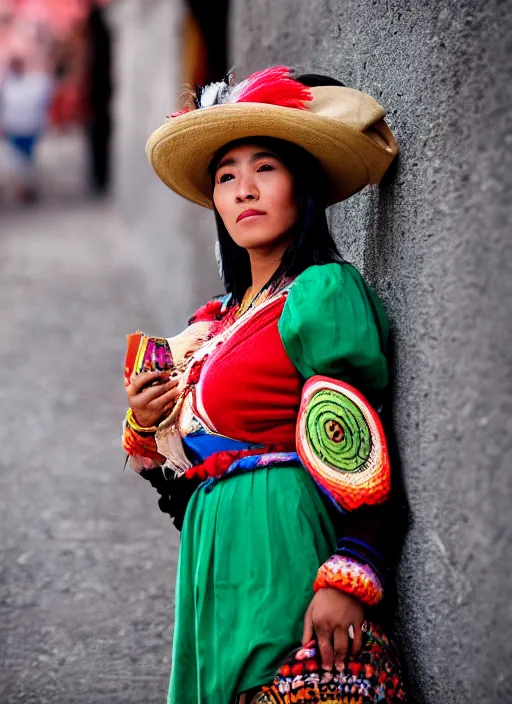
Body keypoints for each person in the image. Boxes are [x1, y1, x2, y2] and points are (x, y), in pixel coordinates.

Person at [122, 66, 407, 703]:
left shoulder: (319, 294)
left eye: (266, 169)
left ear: (301, 185)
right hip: (213, 551)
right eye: (227, 177)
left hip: (281, 541)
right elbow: (185, 490)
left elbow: (360, 442)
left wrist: (350, 571)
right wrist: (148, 424)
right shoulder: (216, 320)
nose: (244, 190)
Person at [0, 54, 53, 202]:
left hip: (30, 127)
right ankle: (24, 188)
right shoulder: (6, 84)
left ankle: (27, 188)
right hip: (14, 128)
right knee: (18, 162)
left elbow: (44, 99)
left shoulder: (34, 83)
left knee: (28, 161)